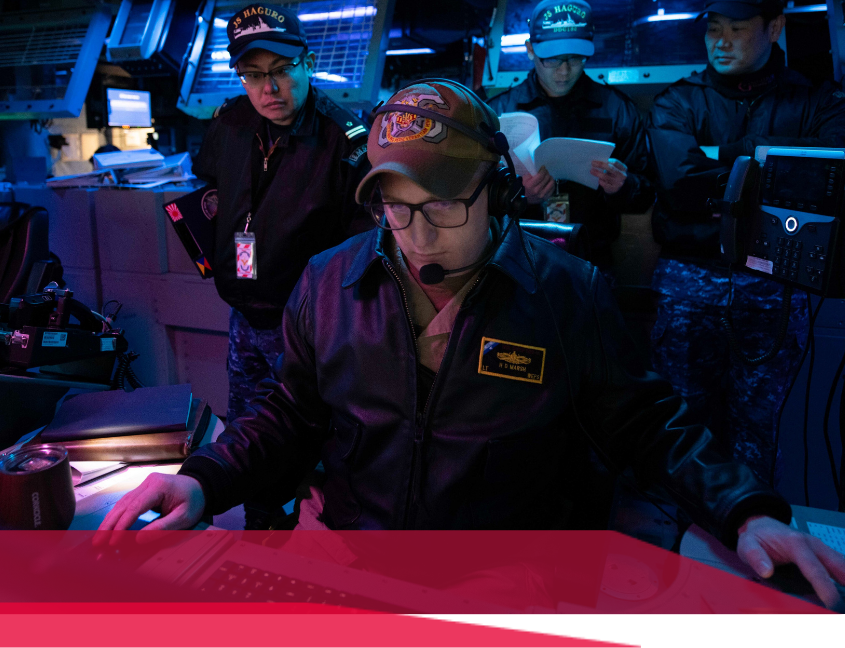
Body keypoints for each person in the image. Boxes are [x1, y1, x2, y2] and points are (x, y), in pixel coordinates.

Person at [100, 79, 845, 609]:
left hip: (507, 577)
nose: (418, 235)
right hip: (349, 560)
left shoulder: (566, 293)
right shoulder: (328, 282)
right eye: (396, 208)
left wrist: (746, 510)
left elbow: (647, 423)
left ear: (498, 190)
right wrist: (202, 479)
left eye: (444, 205)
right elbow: (288, 415)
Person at [646, 0, 845, 485]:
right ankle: (687, 524)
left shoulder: (817, 100)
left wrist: (727, 155)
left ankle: (753, 524)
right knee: (682, 421)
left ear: (774, 27)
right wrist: (772, 165)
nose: (722, 41)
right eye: (714, 29)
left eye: (737, 28)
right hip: (690, 283)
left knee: (760, 427)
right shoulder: (678, 101)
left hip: (773, 287)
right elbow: (680, 183)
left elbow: (827, 172)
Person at [191, 3, 371, 528]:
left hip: (313, 328)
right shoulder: (230, 124)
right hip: (245, 317)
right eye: (253, 75)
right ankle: (259, 527)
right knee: (250, 434)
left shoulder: (346, 141)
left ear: (308, 63)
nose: (268, 88)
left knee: (319, 443)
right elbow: (210, 195)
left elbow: (364, 248)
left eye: (281, 70)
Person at [487, 0, 654, 272]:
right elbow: (475, 195)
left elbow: (647, 192)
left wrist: (623, 186)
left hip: (593, 256)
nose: (564, 71)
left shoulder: (618, 109)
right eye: (552, 59)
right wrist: (515, 196)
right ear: (530, 49)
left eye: (575, 58)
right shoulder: (498, 113)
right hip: (518, 255)